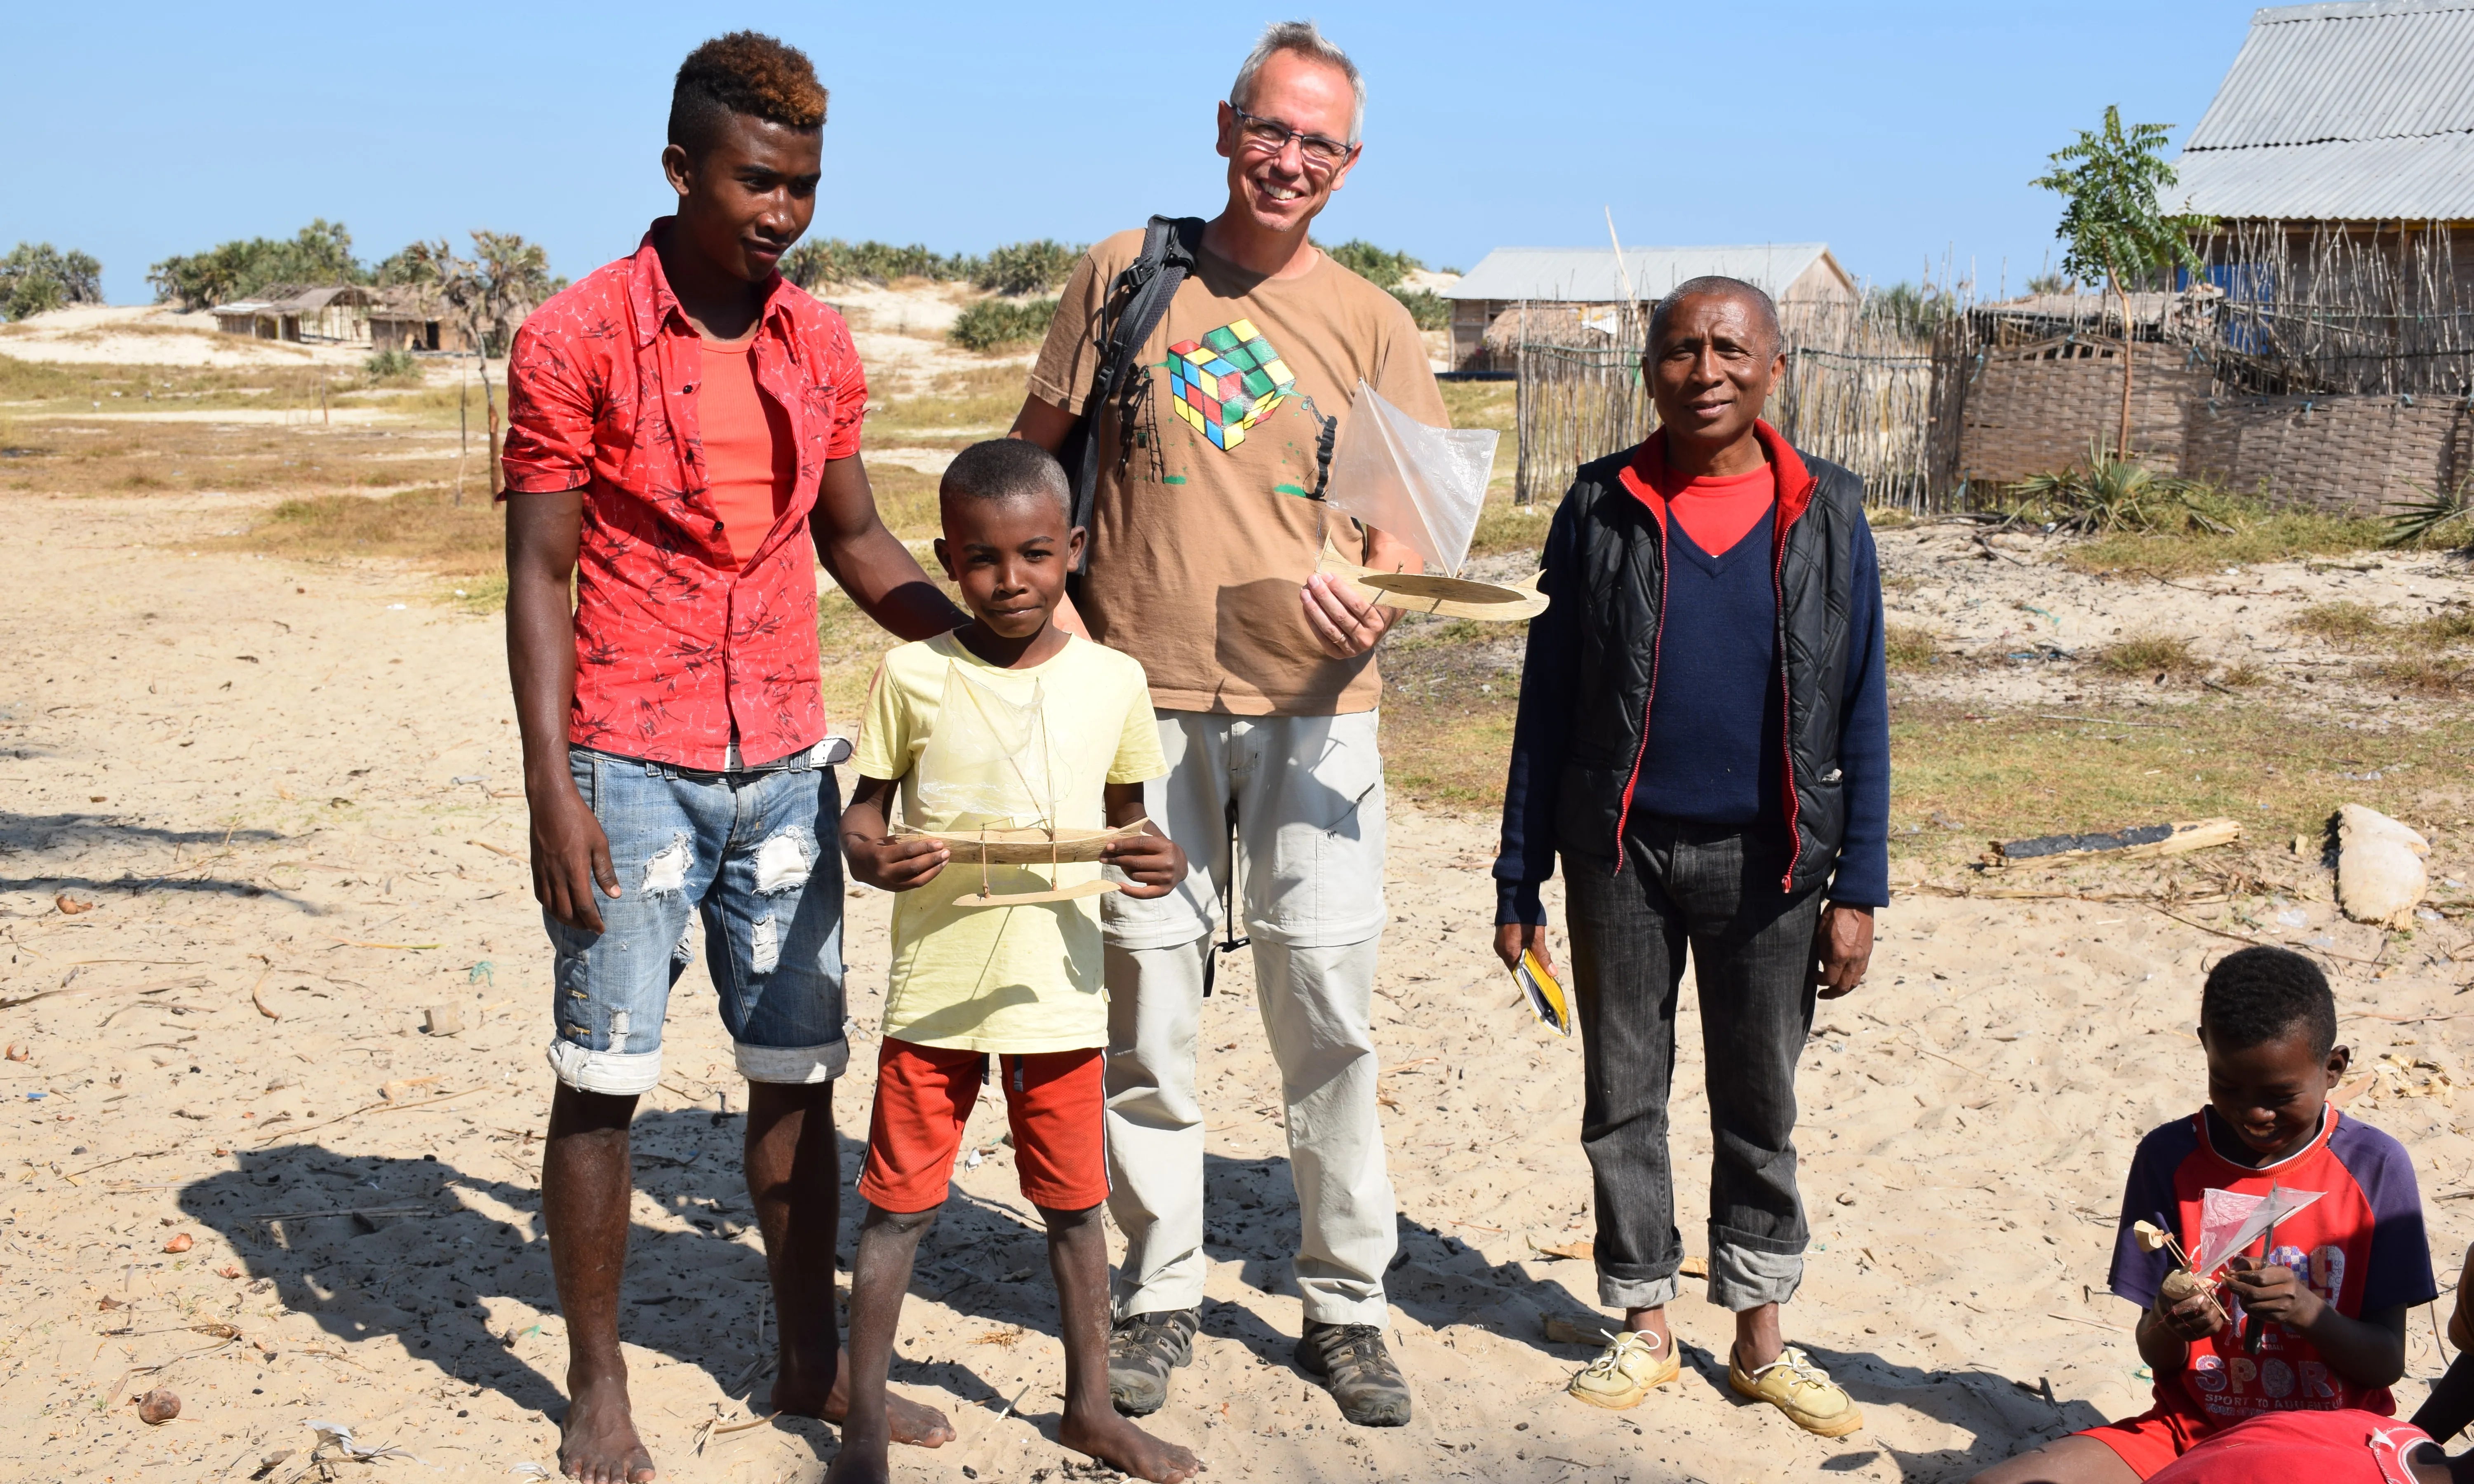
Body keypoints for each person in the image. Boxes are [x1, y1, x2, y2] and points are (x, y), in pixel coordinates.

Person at [500, 32, 965, 1484]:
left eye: (805, 187)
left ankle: (812, 1362)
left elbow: (855, 537)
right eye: (758, 182)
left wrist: (991, 648)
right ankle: (596, 1385)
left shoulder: (816, 344)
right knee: (604, 1080)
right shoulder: (573, 339)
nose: (782, 213)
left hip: (781, 761)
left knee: (794, 1077)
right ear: (681, 169)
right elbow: (540, 577)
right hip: (627, 764)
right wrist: (551, 789)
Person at [1007, 19, 1440, 1428]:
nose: (1291, 159)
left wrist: (1372, 594)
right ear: (1223, 126)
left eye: (1321, 142)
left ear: (1350, 163)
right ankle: (1159, 1296)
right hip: (1145, 714)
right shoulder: (1124, 274)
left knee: (1325, 1012)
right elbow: (1032, 471)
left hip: (1317, 717)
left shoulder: (1374, 320)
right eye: (1273, 129)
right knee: (1150, 1013)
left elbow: (1411, 524)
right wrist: (1065, 641)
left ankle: (1347, 1308)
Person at [1490, 275, 1888, 1437]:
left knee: (1758, 1103)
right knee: (1623, 1096)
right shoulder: (1599, 505)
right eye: (1677, 350)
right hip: (1618, 855)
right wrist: (1521, 876)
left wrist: (1856, 886)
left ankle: (1761, 1336)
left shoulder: (1828, 512)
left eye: (1728, 349)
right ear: (1647, 368)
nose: (1702, 370)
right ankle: (1646, 1322)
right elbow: (1546, 703)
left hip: (1775, 866)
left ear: (1776, 369)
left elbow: (1862, 711)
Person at [832, 440, 1199, 1484]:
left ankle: (1091, 1408)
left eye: (1036, 555)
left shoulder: (1114, 681)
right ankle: (863, 1423)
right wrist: (873, 859)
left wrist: (1157, 859)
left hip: (1058, 996)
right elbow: (865, 817)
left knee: (1076, 1208)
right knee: (898, 1209)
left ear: (1074, 550)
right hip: (935, 995)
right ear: (948, 558)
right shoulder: (912, 673)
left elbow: (1133, 824)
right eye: (984, 560)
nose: (1011, 582)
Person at [1970, 946, 2436, 1483]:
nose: (2254, 1115)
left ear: (2333, 1069)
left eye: (2280, 1095)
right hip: (2190, 1431)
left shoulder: (2375, 1166)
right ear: (2205, 1051)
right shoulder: (2169, 1158)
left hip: (2329, 1441)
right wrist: (2174, 1322)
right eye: (2229, 1086)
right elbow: (2158, 1354)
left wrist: (2309, 1312)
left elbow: (2385, 1363)